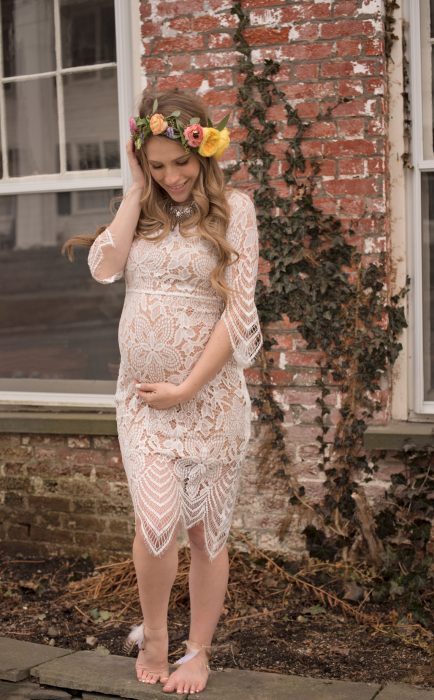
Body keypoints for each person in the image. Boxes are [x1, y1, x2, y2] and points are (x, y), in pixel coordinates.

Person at [63, 89, 262, 695]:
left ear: (205, 152)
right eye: (157, 165)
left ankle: (197, 650)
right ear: (142, 162)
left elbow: (238, 315)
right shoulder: (142, 212)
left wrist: (187, 388)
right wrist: (133, 190)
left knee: (207, 531)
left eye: (181, 162)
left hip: (210, 400)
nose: (172, 176)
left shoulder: (236, 209)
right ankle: (154, 633)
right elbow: (103, 267)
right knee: (156, 521)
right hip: (145, 402)